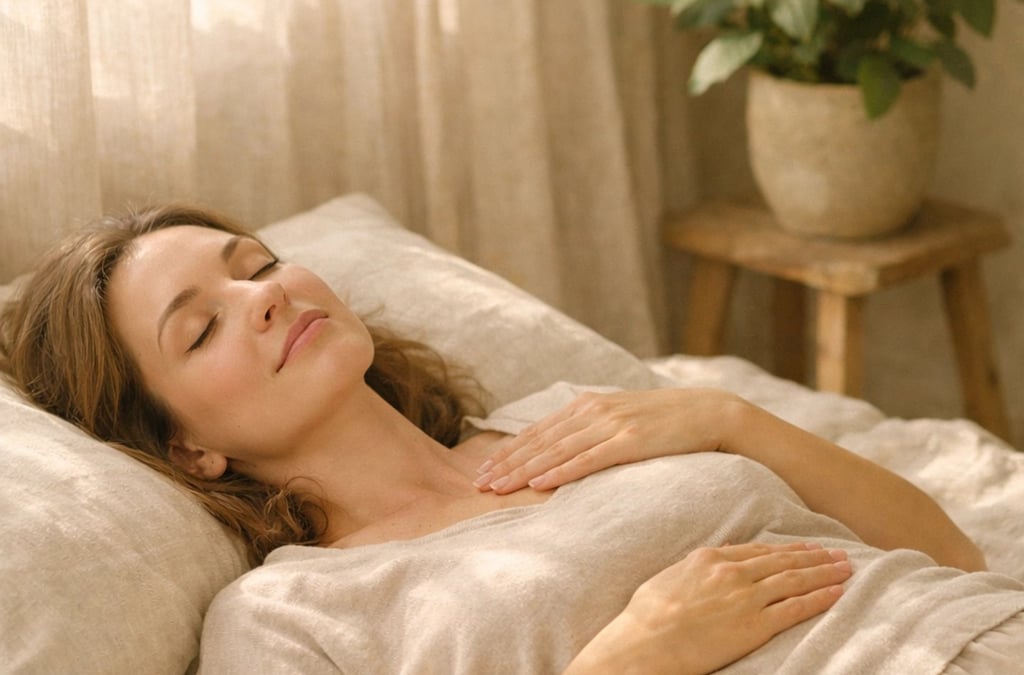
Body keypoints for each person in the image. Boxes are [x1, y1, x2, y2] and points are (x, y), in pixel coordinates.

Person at [0, 205, 1020, 674]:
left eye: (255, 265)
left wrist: (724, 417)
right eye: (203, 326)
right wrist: (635, 659)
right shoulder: (285, 618)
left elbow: (950, 552)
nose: (261, 299)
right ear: (187, 451)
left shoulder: (581, 415)